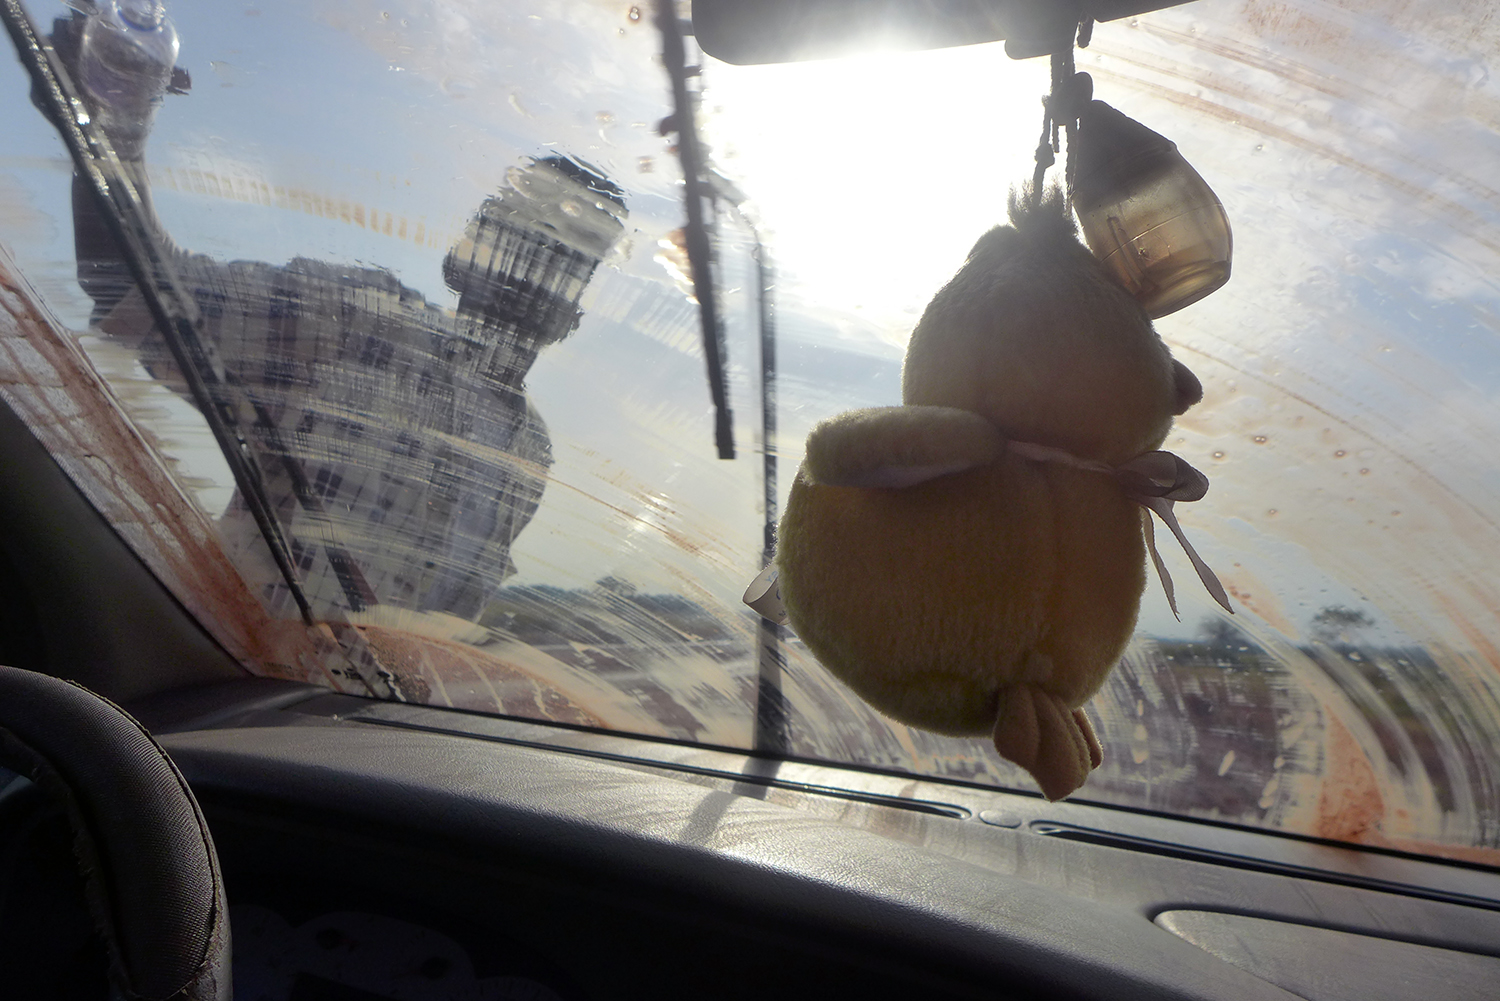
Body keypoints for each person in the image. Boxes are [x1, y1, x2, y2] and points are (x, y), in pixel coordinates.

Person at [48, 6, 627, 622]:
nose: (531, 272)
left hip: (379, 715)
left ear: (575, 306)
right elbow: (141, 295)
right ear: (471, 254)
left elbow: (445, 625)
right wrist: (115, 122)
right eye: (521, 236)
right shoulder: (367, 324)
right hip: (249, 689)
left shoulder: (527, 454)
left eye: (567, 260)